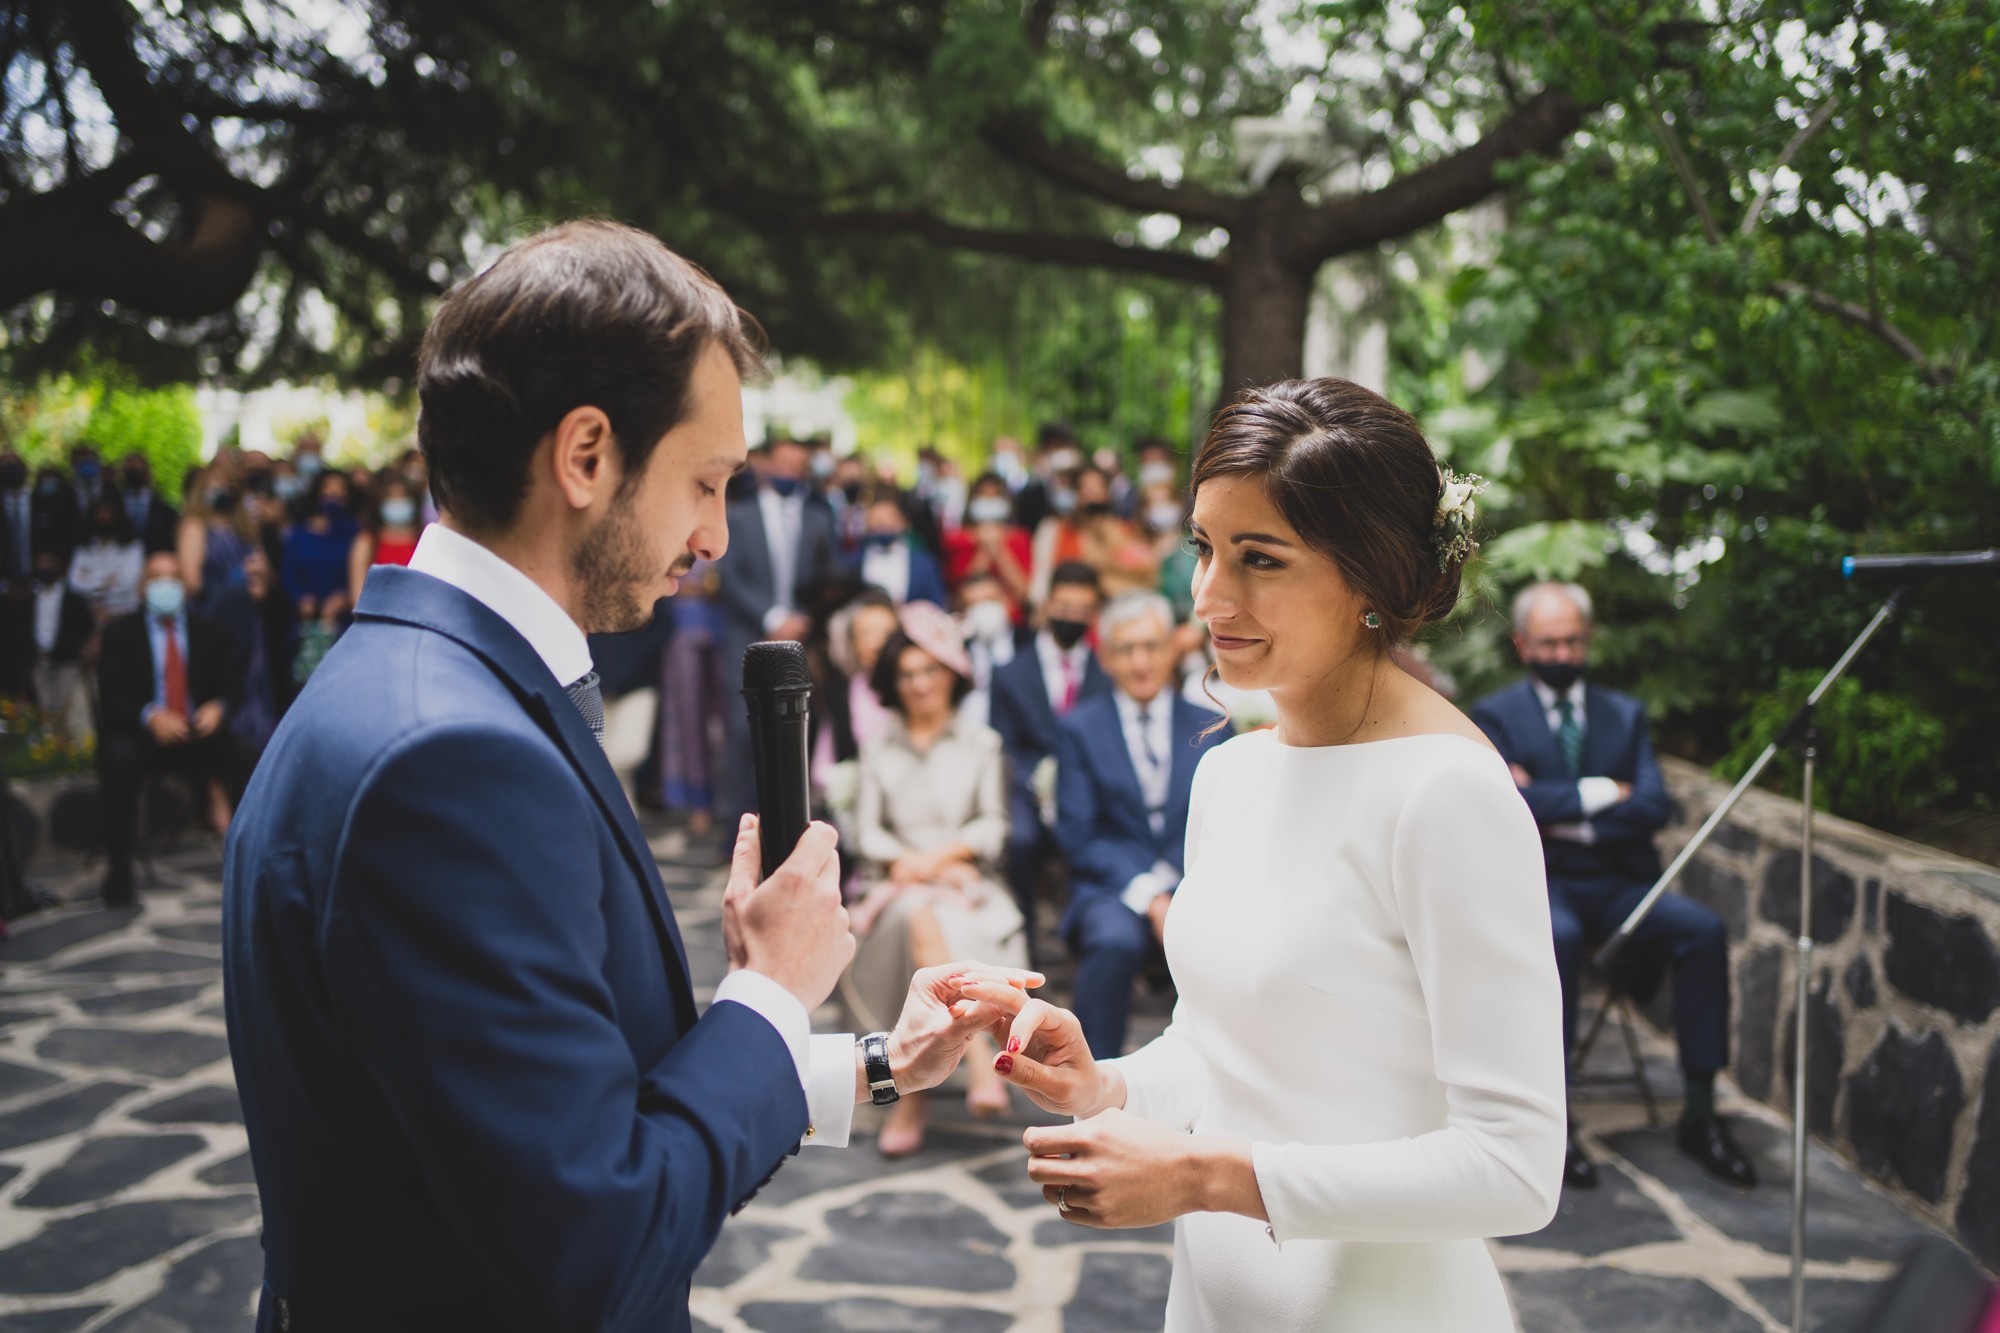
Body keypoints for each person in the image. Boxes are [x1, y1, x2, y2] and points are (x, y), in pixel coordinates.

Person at [221, 221, 1036, 1333]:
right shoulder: (448, 759)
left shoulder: (425, 677)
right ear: (587, 454)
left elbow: (554, 1109)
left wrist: (881, 1066)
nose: (713, 538)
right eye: (705, 483)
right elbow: (593, 1240)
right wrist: (771, 986)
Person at [965, 377, 1565, 1333]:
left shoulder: (1446, 794)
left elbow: (1516, 1167)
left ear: (1368, 574)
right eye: (1204, 548)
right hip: (1213, 1299)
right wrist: (1107, 1083)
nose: (1207, 596)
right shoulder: (1231, 771)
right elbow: (1223, 1047)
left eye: (1260, 559)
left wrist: (1206, 1174)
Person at [1470, 581, 1752, 1191]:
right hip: (1543, 882)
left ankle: (1701, 1114)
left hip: (1622, 885)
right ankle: (1555, 1121)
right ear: (1523, 644)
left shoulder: (1625, 715)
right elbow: (1503, 800)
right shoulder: (1494, 715)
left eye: (1573, 641)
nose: (1563, 654)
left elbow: (1653, 805)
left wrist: (1551, 801)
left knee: (1703, 932)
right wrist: (1605, 792)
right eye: (1550, 642)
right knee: (1559, 938)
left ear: (1588, 640)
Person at [846, 605, 1025, 1155]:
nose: (920, 683)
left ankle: (911, 1096)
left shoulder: (981, 744)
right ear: (892, 683)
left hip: (962, 884)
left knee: (936, 916)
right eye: (907, 674)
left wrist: (944, 856)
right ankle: (975, 1066)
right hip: (897, 887)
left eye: (930, 670)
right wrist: (911, 862)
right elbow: (865, 832)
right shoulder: (879, 748)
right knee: (914, 916)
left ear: (953, 675)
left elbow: (993, 823)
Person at [1053, 592, 1228, 1059]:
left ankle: (1217, 1075)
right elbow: (1079, 832)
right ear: (1106, 658)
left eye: (1151, 646)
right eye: (1126, 649)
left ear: (1173, 648)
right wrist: (1150, 893)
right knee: (1112, 940)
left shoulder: (1213, 725)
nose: (1141, 661)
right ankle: (1093, 1078)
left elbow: (1221, 819)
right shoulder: (1080, 729)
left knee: (1221, 940)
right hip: (1111, 885)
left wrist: (1175, 888)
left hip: (1194, 880)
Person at [97, 551, 251, 906]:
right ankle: (119, 867)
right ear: (141, 587)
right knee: (115, 755)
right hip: (144, 736)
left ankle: (249, 854)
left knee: (247, 753)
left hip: (198, 734)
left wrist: (218, 707)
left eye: (173, 578)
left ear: (185, 587)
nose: (165, 585)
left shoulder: (209, 632)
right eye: (156, 577)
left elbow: (233, 687)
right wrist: (150, 716)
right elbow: (111, 695)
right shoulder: (121, 633)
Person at [716, 434, 842, 827]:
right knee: (742, 733)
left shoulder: (820, 519)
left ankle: (787, 825)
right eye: (783, 464)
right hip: (748, 636)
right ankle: (737, 828)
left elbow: (830, 577)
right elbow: (730, 577)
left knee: (795, 733)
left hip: (802, 640)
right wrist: (771, 616)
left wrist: (804, 618)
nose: (789, 472)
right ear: (767, 464)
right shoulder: (738, 516)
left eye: (797, 466)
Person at [989, 561, 1110, 947]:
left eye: (1081, 611)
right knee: (1020, 839)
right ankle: (1025, 939)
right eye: (1064, 607)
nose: (1071, 617)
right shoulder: (1009, 673)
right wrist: (1041, 783)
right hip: (1029, 785)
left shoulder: (1106, 673)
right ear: (1047, 604)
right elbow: (1005, 745)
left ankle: (1084, 933)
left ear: (1093, 615)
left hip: (1090, 786)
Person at [942, 472, 1033, 618]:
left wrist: (998, 550)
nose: (989, 500)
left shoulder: (1019, 538)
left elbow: (1024, 592)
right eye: (983, 495)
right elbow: (961, 591)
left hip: (1013, 620)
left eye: (995, 495)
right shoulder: (957, 539)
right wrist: (984, 551)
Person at [854, 489, 947, 607]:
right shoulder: (854, 562)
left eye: (888, 518)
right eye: (875, 519)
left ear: (903, 521)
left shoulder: (924, 563)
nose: (882, 524)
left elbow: (938, 603)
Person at [347, 472, 426, 606]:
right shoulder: (367, 541)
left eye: (403, 497)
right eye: (391, 498)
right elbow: (357, 596)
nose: (397, 503)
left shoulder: (424, 540)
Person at [68, 495, 146, 620]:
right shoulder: (83, 548)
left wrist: (90, 578)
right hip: (90, 615)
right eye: (100, 514)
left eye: (108, 514)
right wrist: (108, 580)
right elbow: (74, 582)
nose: (103, 518)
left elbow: (129, 581)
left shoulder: (133, 547)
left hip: (125, 613)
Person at [117, 453, 182, 555]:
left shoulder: (166, 512)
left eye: (138, 468)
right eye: (131, 468)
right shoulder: (114, 504)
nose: (134, 471)